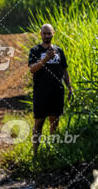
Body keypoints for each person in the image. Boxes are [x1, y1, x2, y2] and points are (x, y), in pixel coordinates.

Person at [28, 24, 73, 155]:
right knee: (39, 122)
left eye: (49, 33)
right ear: (40, 34)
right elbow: (32, 69)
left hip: (57, 91)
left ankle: (53, 151)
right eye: (44, 33)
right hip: (41, 92)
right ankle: (35, 152)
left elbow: (64, 70)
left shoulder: (59, 50)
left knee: (55, 122)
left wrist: (69, 87)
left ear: (53, 33)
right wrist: (45, 59)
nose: (47, 36)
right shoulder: (35, 50)